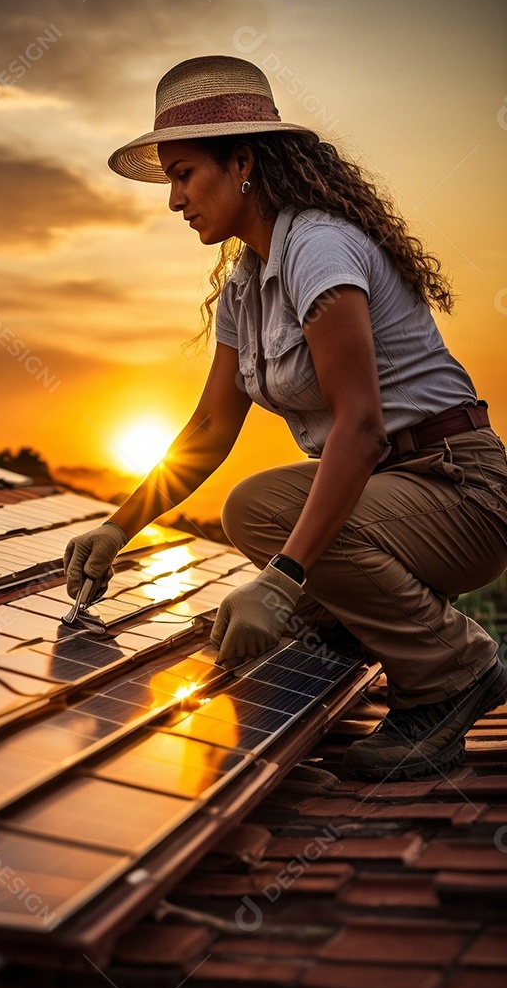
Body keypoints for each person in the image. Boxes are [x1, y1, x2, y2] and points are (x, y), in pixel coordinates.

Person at [63, 55, 507, 780]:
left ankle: (454, 672)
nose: (173, 199)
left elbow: (360, 427)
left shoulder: (318, 249)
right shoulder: (245, 283)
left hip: (462, 493)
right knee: (257, 505)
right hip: (394, 496)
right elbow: (209, 429)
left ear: (242, 162)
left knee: (263, 515)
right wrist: (119, 525)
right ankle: (345, 627)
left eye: (183, 174)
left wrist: (283, 580)